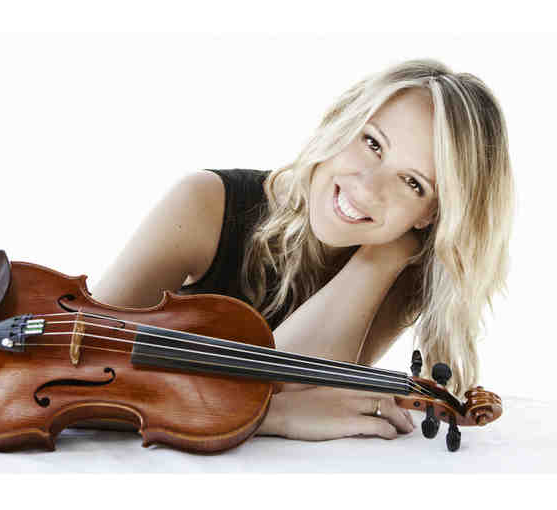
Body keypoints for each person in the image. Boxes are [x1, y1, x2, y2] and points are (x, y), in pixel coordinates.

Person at [90, 58, 515, 442]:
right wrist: (273, 416)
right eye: (372, 143)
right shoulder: (203, 203)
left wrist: (382, 259)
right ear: (342, 121)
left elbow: (302, 383)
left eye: (413, 183)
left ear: (429, 216)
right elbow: (76, 371)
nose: (368, 188)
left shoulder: (396, 261)